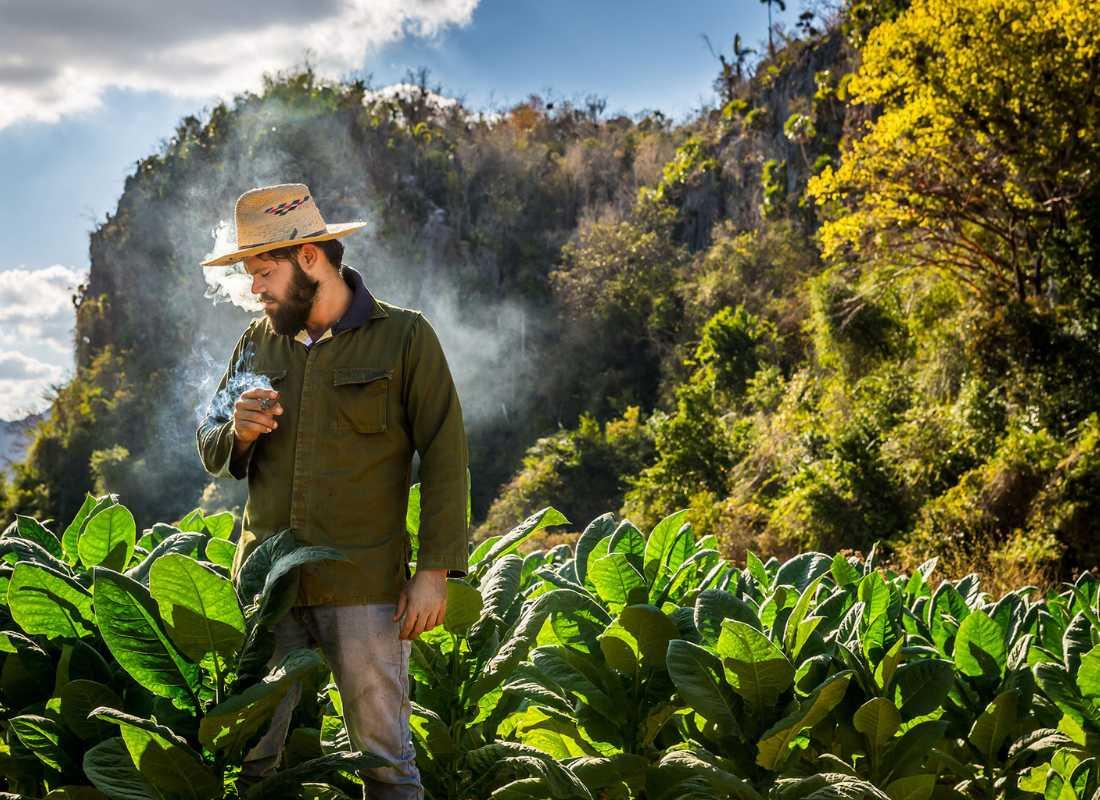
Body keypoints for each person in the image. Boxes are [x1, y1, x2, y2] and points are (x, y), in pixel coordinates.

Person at [196, 183, 469, 799]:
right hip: (268, 591)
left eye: (264, 272)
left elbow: (447, 454)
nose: (254, 289)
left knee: (385, 763)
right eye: (248, 275)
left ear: (311, 259)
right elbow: (212, 444)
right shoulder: (255, 342)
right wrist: (235, 432)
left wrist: (435, 571)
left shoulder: (404, 338)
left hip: (365, 588)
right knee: (254, 761)